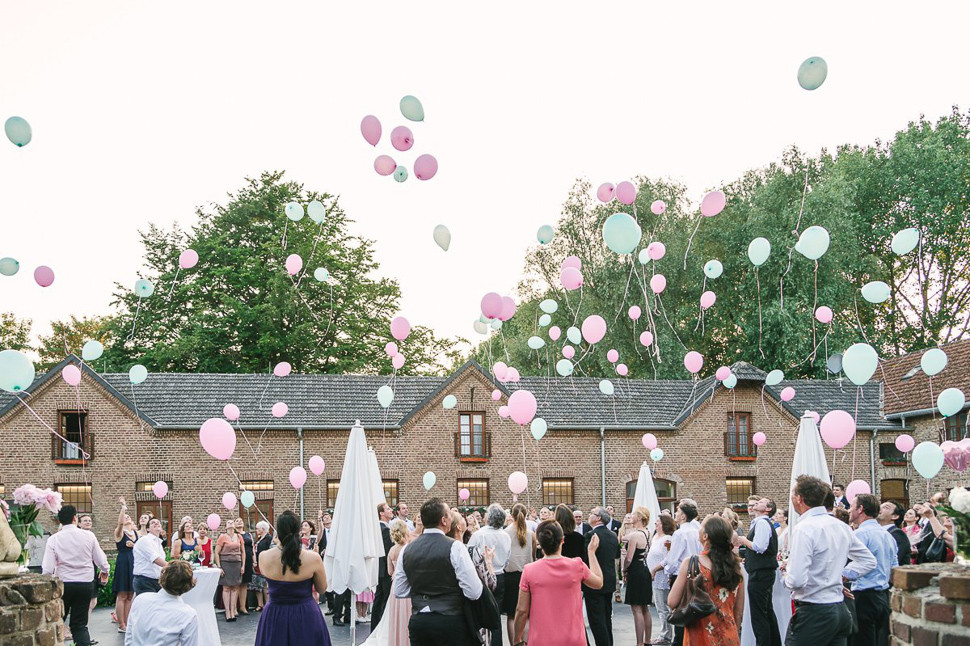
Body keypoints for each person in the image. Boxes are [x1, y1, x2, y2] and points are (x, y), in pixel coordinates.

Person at [783, 475, 877, 646]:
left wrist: (785, 578)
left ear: (799, 499)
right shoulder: (840, 525)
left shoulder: (804, 528)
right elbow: (868, 561)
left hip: (814, 611)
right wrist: (840, 576)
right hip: (839, 609)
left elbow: (796, 580)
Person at [392, 498, 484, 645]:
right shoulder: (456, 547)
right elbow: (474, 591)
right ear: (444, 520)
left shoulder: (406, 550)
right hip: (451, 620)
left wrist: (422, 593)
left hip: (420, 622)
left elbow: (399, 590)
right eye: (449, 514)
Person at [513, 519, 604, 646]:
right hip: (573, 639)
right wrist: (591, 553)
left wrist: (517, 638)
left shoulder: (529, 570)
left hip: (541, 640)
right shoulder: (577, 565)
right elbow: (599, 582)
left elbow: (521, 610)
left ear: (539, 542)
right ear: (562, 540)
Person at [255, 510, 331, 645]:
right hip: (305, 615)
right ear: (299, 531)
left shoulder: (264, 556)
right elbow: (322, 589)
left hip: (275, 615)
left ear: (277, 532)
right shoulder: (313, 558)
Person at [669, 515, 745, 646]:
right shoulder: (736, 567)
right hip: (728, 634)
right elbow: (738, 612)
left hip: (699, 634)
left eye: (701, 526)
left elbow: (672, 601)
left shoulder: (692, 563)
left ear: (705, 536)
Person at [42, 505, 110, 646]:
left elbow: (47, 568)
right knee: (79, 625)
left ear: (60, 521)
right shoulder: (88, 536)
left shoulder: (53, 539)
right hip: (85, 584)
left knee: (58, 622)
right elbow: (101, 560)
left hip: (64, 584)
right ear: (75, 518)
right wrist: (105, 570)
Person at [848, 494, 897, 646]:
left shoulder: (860, 535)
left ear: (860, 509)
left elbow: (850, 563)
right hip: (883, 596)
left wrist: (842, 575)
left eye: (851, 506)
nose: (849, 510)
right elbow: (894, 567)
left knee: (863, 641)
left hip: (864, 595)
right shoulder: (888, 535)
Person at [124, 560, 200, 646]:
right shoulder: (188, 614)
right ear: (188, 585)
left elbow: (129, 636)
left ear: (162, 577)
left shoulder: (140, 599)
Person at [467, 503, 512, 646]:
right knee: (495, 615)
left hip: (483, 577)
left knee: (481, 614)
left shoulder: (479, 534)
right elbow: (507, 558)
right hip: (500, 575)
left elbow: (470, 555)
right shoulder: (506, 536)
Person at [738, 497, 781, 646]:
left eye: (761, 502)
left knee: (759, 614)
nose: (756, 503)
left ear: (768, 509)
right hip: (762, 571)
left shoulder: (762, 523)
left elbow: (760, 547)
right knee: (766, 610)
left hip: (760, 573)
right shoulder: (760, 523)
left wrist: (743, 540)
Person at [664, 499, 704, 646]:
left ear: (683, 516)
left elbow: (673, 560)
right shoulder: (698, 532)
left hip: (681, 576)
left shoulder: (680, 533)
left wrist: (668, 572)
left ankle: (680, 642)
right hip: (697, 575)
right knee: (693, 613)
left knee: (680, 614)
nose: (675, 513)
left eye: (678, 511)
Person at [583, 506, 621, 646]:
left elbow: (586, 558)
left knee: (596, 620)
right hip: (609, 580)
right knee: (606, 618)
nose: (589, 515)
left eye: (592, 513)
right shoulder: (612, 535)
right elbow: (616, 555)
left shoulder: (591, 535)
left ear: (598, 518)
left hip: (594, 581)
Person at [502, 503, 535, 643]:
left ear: (511, 516)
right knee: (526, 615)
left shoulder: (505, 533)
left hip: (509, 577)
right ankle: (525, 643)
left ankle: (514, 644)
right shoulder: (531, 534)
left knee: (511, 615)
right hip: (527, 576)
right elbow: (533, 555)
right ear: (526, 515)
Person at [624, 506, 653, 646]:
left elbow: (629, 558)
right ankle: (647, 641)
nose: (631, 515)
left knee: (636, 608)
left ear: (640, 517)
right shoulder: (648, 533)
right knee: (645, 607)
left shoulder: (635, 535)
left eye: (634, 514)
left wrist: (624, 570)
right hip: (645, 569)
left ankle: (639, 643)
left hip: (635, 571)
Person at [648, 514, 677, 645]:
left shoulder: (667, 539)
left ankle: (666, 635)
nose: (655, 524)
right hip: (654, 576)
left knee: (663, 606)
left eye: (658, 522)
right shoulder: (655, 537)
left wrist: (655, 569)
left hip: (662, 576)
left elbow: (668, 559)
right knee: (660, 606)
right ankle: (665, 632)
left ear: (664, 524)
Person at [112, 497, 138, 633]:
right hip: (123, 563)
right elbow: (120, 524)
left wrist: (134, 545)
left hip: (134, 563)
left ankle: (127, 623)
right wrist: (123, 508)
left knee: (130, 595)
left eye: (129, 516)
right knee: (122, 594)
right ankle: (121, 624)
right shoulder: (119, 532)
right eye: (125, 516)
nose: (127, 518)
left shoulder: (135, 533)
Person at [214, 517, 245, 621]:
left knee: (235, 587)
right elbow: (216, 553)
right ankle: (227, 612)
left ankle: (233, 611)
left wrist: (243, 565)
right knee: (226, 588)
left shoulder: (239, 536)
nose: (231, 523)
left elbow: (243, 552)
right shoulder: (222, 537)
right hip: (225, 563)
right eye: (229, 522)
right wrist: (219, 567)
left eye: (232, 522)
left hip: (237, 563)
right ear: (225, 526)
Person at [371, 502, 395, 629]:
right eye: (388, 509)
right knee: (384, 599)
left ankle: (374, 627)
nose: (391, 510)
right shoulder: (385, 530)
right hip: (385, 570)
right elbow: (387, 553)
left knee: (378, 598)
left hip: (379, 570)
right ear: (381, 513)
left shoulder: (378, 529)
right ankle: (381, 627)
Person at [132, 518, 167, 595]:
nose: (156, 523)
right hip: (144, 580)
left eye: (158, 522)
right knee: (147, 606)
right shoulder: (144, 540)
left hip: (157, 580)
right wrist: (174, 566)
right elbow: (156, 559)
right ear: (148, 529)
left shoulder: (159, 543)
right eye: (153, 523)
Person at [877, 501, 912, 567]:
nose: (879, 509)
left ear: (895, 516)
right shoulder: (876, 532)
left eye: (885, 507)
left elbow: (890, 561)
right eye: (880, 506)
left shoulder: (897, 534)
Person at [234, 518, 254, 615]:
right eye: (237, 521)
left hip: (249, 559)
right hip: (238, 559)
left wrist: (255, 561)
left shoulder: (248, 534)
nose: (240, 522)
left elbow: (253, 547)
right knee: (237, 583)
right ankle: (235, 607)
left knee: (245, 583)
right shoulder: (234, 535)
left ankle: (243, 607)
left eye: (241, 520)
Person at [251, 520, 273, 611]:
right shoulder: (258, 539)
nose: (256, 530)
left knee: (265, 584)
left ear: (263, 529)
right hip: (257, 564)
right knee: (257, 585)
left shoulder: (268, 538)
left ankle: (268, 604)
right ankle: (260, 604)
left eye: (257, 529)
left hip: (265, 563)